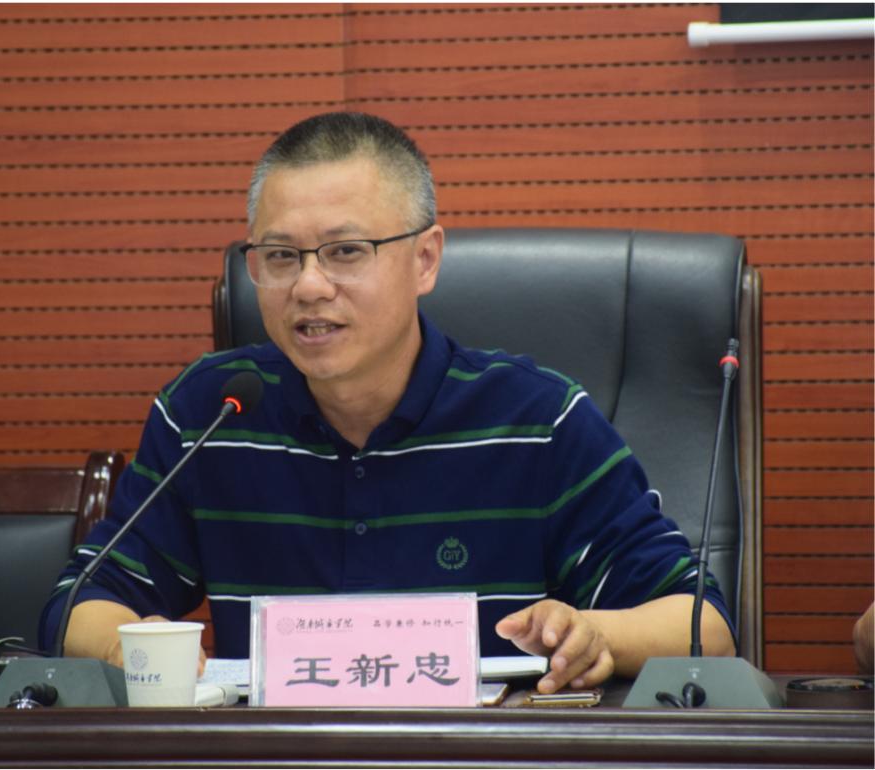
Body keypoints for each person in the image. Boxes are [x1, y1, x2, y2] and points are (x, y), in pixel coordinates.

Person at [40, 112, 735, 694]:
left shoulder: (538, 422)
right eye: (280, 257)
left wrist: (595, 633)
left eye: (346, 251)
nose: (309, 286)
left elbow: (704, 626)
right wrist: (127, 644)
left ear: (425, 259)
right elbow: (77, 603)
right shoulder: (212, 413)